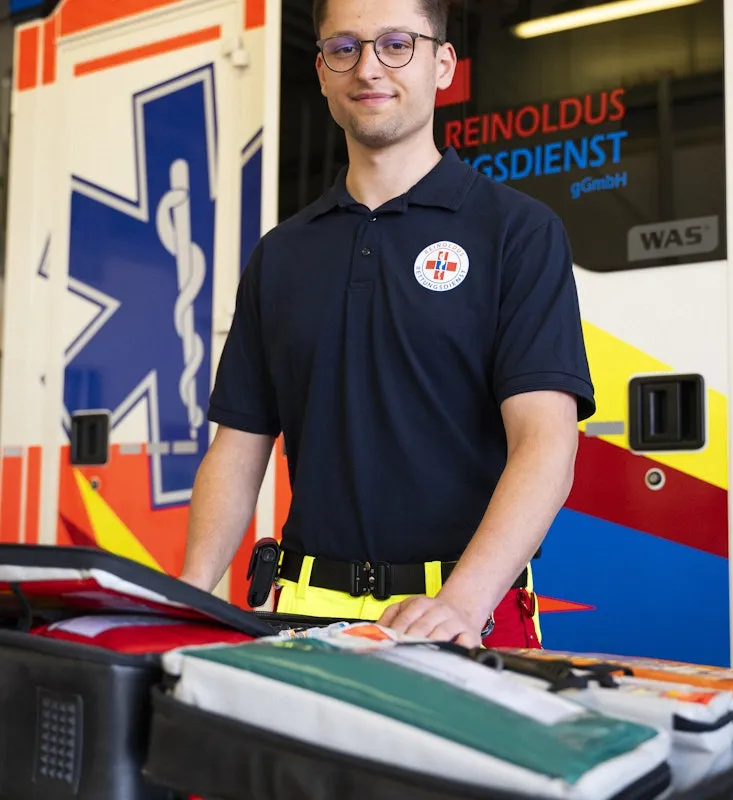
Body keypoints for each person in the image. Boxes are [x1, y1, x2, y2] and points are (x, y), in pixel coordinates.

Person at [180, 0, 595, 649]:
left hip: (470, 616)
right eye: (344, 48)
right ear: (321, 72)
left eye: (396, 43)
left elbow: (546, 443)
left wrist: (459, 604)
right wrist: (194, 593)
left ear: (444, 64)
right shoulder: (281, 255)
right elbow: (237, 448)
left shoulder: (516, 232)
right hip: (305, 617)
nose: (368, 67)